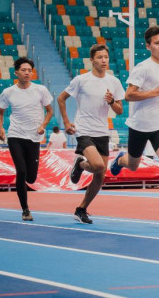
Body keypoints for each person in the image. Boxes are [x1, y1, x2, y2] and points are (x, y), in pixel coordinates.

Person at [108, 25, 159, 220]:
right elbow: (129, 95)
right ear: (148, 46)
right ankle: (120, 159)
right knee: (133, 165)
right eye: (157, 43)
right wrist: (154, 92)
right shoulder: (142, 68)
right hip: (140, 124)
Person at [58, 43, 125, 224]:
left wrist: (112, 102)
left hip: (102, 131)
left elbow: (119, 110)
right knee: (97, 165)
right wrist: (66, 122)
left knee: (100, 176)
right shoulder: (81, 80)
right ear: (92, 60)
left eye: (106, 57)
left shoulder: (114, 82)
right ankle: (80, 164)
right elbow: (61, 98)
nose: (104, 60)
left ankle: (81, 209)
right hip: (84, 130)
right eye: (99, 57)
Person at [0, 57, 54, 221]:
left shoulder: (41, 90)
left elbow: (50, 111)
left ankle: (25, 195)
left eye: (30, 70)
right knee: (21, 171)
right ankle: (25, 209)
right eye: (24, 70)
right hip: (15, 135)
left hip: (34, 137)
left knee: (31, 178)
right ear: (16, 72)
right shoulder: (8, 92)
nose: (27, 73)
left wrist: (43, 125)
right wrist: (1, 128)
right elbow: (0, 113)